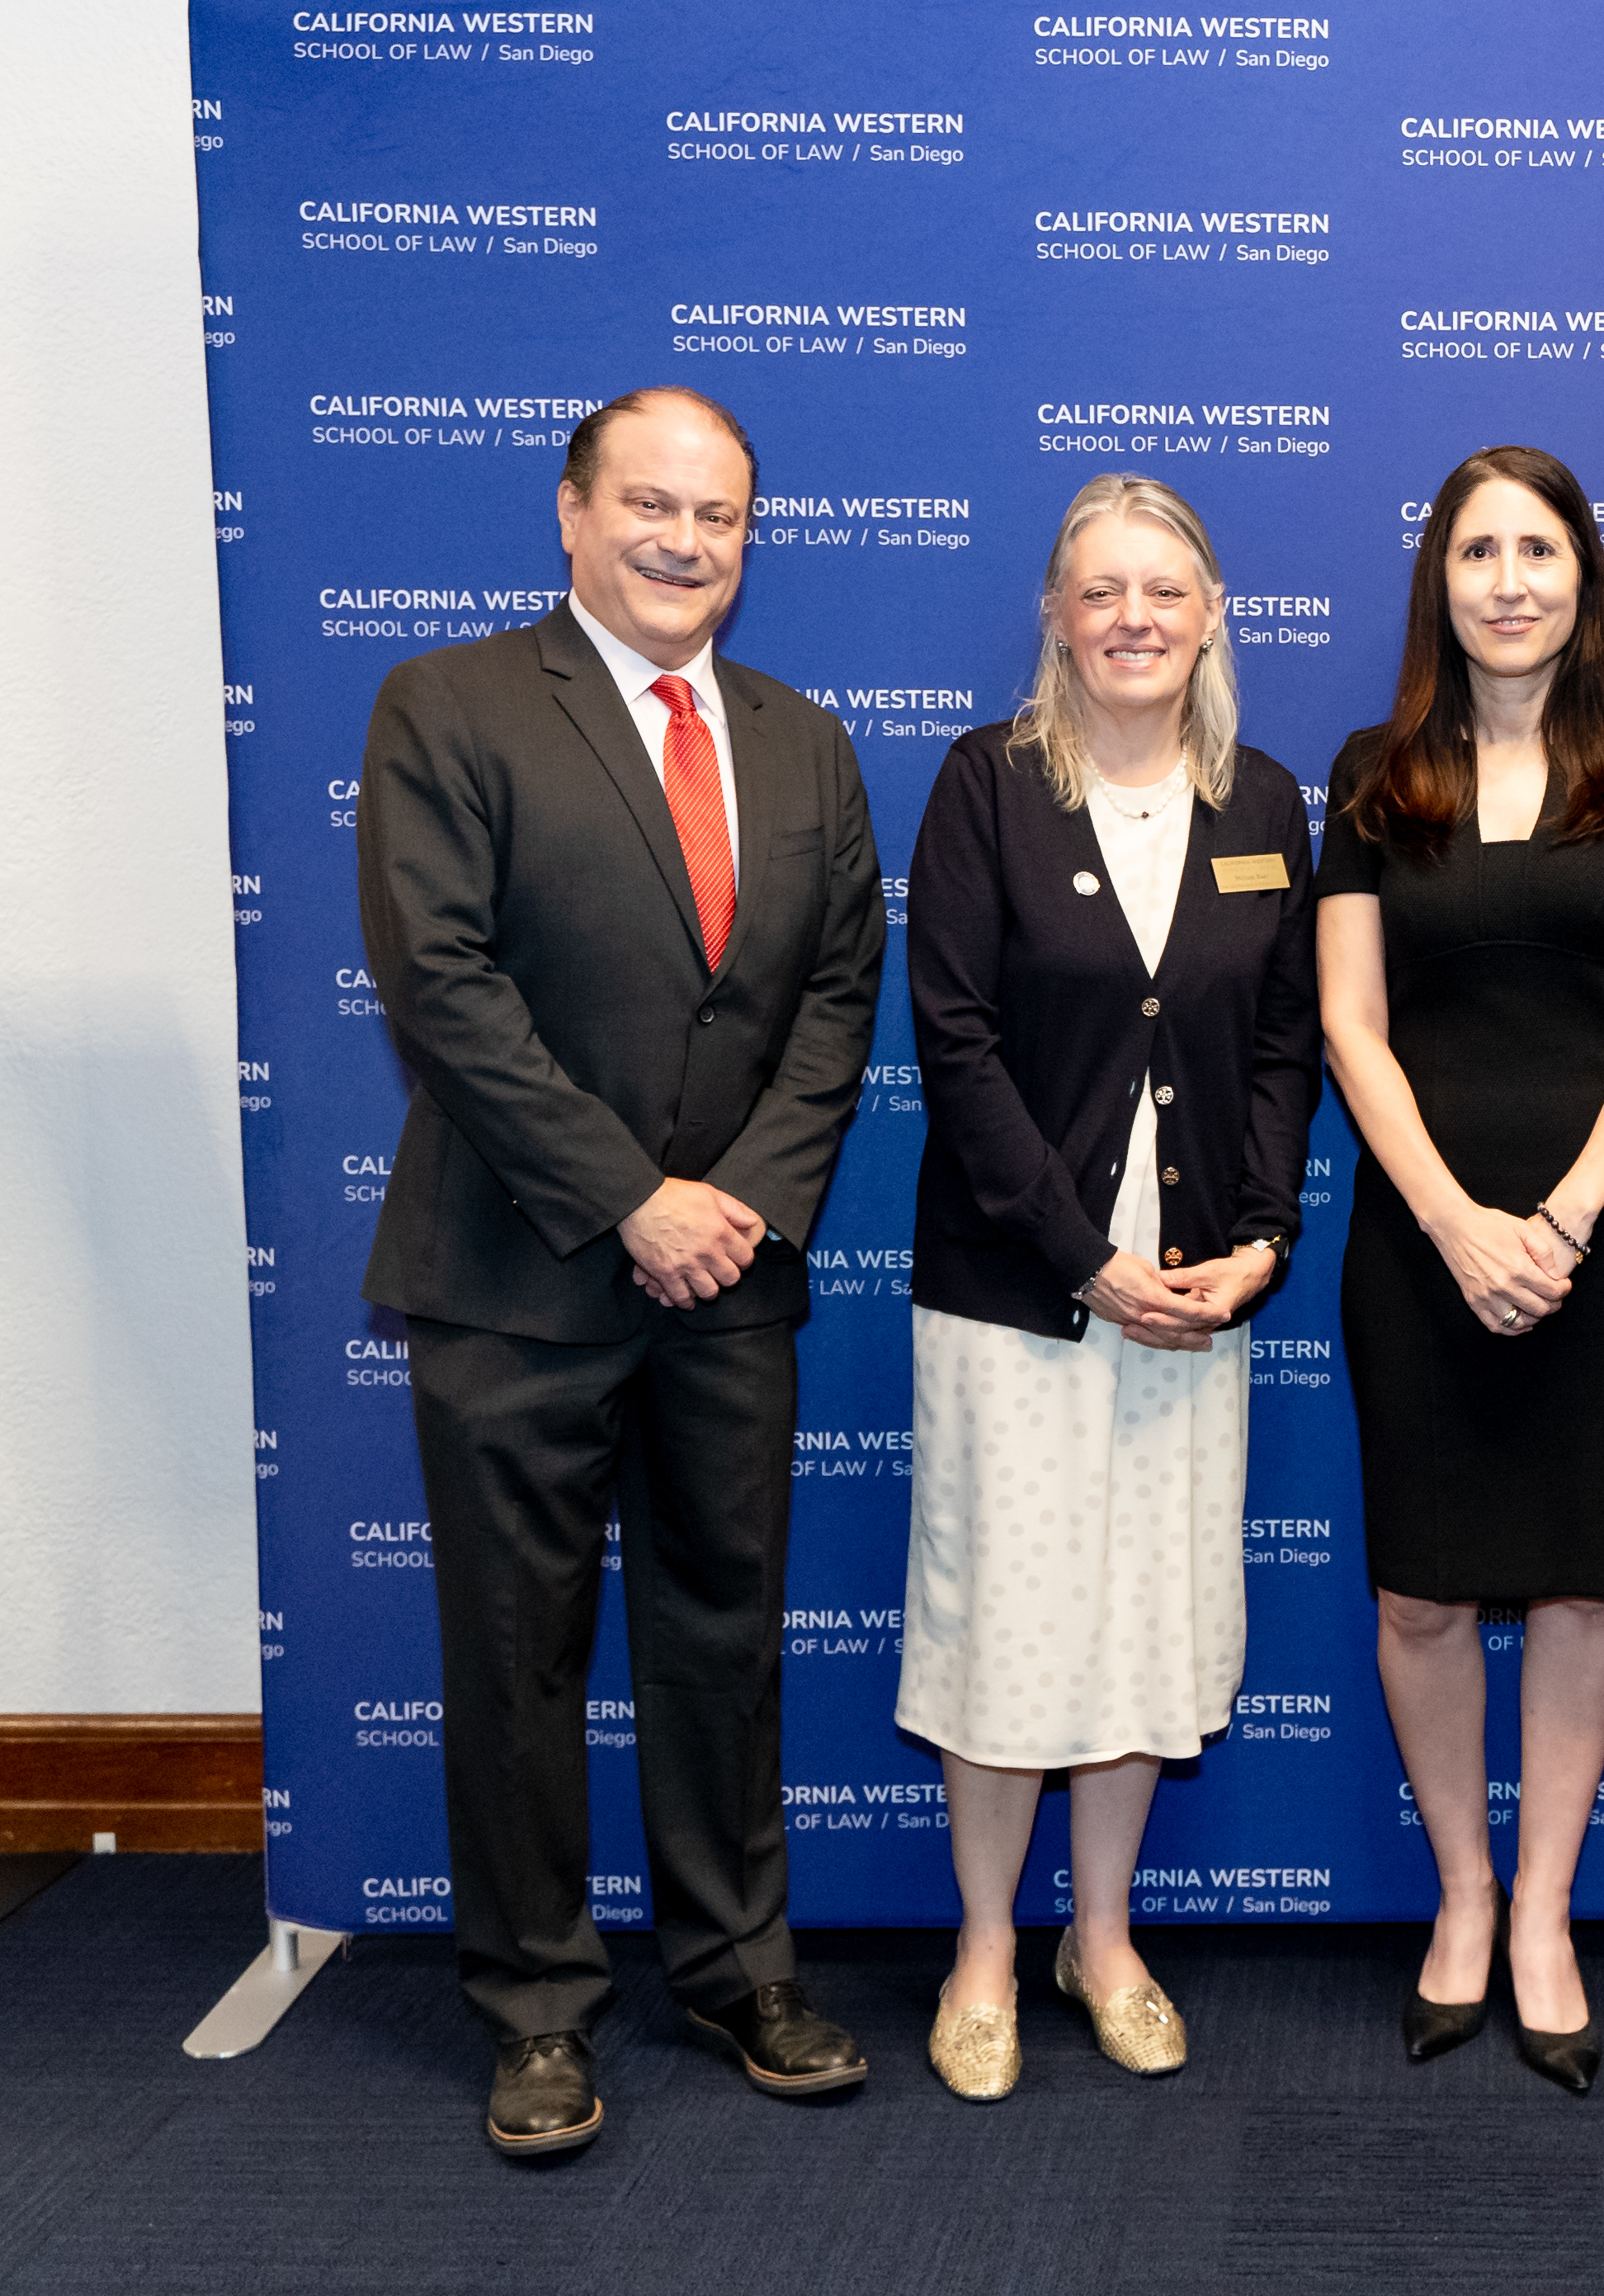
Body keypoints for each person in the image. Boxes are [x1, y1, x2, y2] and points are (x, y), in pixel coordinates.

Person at [355, 385, 886, 2156]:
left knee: (723, 1643)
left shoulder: (807, 745)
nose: (683, 540)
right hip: (519, 1275)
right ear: (570, 512)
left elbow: (828, 1007)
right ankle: (533, 2005)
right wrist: (630, 1196)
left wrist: (728, 1201)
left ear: (751, 537)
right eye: (650, 504)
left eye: (719, 514)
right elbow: (443, 988)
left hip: (730, 1284)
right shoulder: (451, 703)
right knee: (517, 1656)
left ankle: (738, 1970)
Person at [897, 475, 1319, 2104]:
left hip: (1198, 1291)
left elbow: (1281, 1044)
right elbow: (954, 1038)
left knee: (1144, 1616)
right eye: (1100, 590)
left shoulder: (1263, 801)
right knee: (1008, 1620)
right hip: (1021, 1290)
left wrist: (1262, 1236)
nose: (1133, 616)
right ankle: (987, 1948)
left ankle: (1105, 1935)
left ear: (1209, 614)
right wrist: (1084, 1255)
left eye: (1164, 588)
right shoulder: (986, 786)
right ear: (1058, 618)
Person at [1315, 445, 1604, 2095]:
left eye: (1535, 548)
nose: (1505, 578)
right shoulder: (1367, 767)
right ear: (1440, 578)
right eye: (1476, 549)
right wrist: (1451, 1219)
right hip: (1418, 1235)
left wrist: (1552, 1222)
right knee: (1418, 1586)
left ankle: (1545, 1909)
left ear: (1583, 576)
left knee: (1575, 1580)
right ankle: (1462, 1894)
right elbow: (1348, 1020)